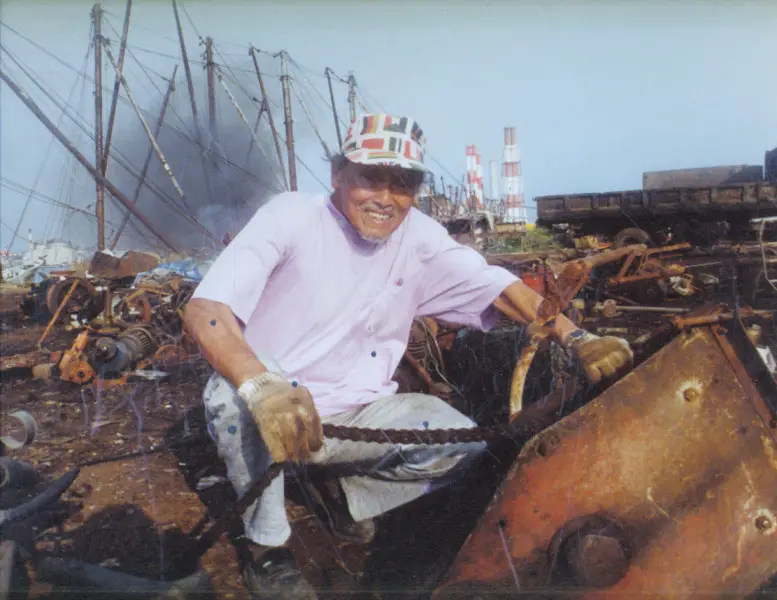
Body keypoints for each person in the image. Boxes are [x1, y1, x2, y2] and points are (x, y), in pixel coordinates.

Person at [183, 113, 633, 599]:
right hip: (277, 408)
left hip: (359, 412)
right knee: (230, 398)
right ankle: (267, 549)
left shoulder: (418, 236)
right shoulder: (292, 215)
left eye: (404, 184)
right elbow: (207, 309)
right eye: (371, 178)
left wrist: (578, 339)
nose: (386, 198)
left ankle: (346, 502)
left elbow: (498, 288)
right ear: (338, 174)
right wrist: (258, 383)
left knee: (466, 445)